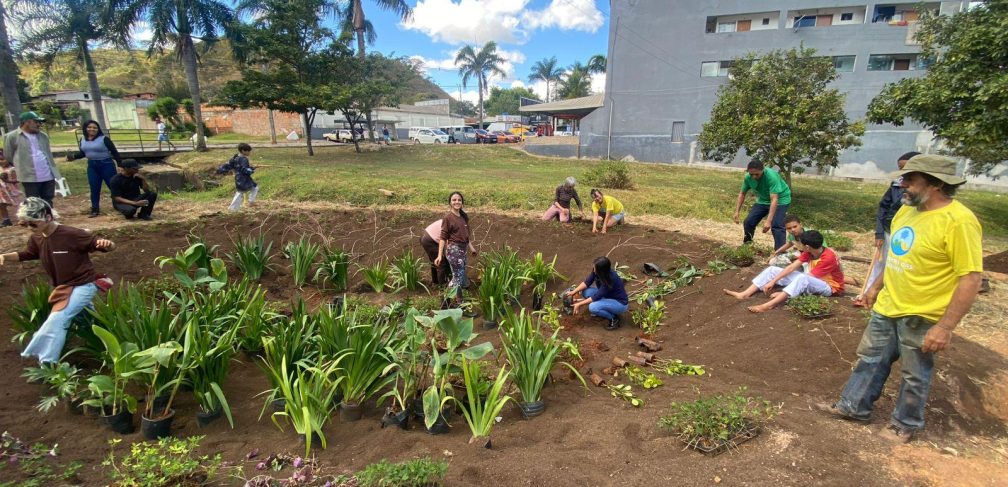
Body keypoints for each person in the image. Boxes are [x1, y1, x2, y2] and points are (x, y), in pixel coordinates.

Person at [814, 155, 983, 443]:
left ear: (936, 184)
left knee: (914, 373)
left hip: (923, 313)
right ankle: (854, 407)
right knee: (870, 358)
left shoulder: (959, 221)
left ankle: (905, 424)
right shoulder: (907, 211)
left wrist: (945, 326)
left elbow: (971, 278)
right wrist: (873, 287)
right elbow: (895, 257)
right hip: (889, 305)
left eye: (910, 180)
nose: (901, 184)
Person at [0, 198, 115, 364]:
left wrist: (108, 244)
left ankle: (48, 362)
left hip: (83, 285)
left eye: (33, 224)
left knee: (58, 318)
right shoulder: (37, 238)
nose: (29, 229)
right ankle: (110, 343)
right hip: (63, 287)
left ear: (48, 217)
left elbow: (103, 245)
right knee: (88, 320)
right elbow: (29, 254)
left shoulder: (72, 234)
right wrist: (4, 256)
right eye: (25, 225)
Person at [855, 151, 921, 306]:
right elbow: (883, 207)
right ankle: (867, 295)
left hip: (906, 233)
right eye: (900, 170)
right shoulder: (897, 184)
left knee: (898, 266)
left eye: (907, 170)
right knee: (882, 263)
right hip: (888, 230)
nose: (903, 177)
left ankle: (884, 297)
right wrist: (879, 232)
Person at [724, 230, 844, 313]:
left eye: (801, 244)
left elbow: (807, 279)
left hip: (830, 288)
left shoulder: (828, 258)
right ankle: (745, 294)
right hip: (814, 281)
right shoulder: (810, 252)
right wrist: (773, 281)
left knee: (803, 278)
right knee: (773, 270)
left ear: (807, 246)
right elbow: (791, 267)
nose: (799, 246)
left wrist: (783, 293)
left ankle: (768, 306)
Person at [2, 112, 62, 207]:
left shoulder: (43, 136)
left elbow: (47, 153)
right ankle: (35, 220)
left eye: (40, 122)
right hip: (29, 175)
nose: (39, 124)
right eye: (36, 122)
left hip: (47, 173)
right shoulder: (12, 137)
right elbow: (9, 155)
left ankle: (48, 218)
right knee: (33, 200)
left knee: (48, 198)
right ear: (27, 122)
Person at [67, 120, 124, 217]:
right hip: (92, 166)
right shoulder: (83, 140)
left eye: (95, 128)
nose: (92, 129)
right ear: (85, 128)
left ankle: (119, 205)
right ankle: (95, 209)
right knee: (94, 187)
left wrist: (121, 165)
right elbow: (84, 153)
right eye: (89, 127)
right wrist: (73, 157)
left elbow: (114, 152)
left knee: (113, 186)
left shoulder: (104, 139)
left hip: (106, 165)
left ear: (98, 129)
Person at [733, 159, 791, 250]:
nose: (754, 176)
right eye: (751, 174)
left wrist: (768, 221)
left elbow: (774, 199)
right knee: (748, 222)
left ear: (762, 170)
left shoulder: (771, 176)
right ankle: (747, 245)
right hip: (763, 200)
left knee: (776, 225)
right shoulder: (748, 177)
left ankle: (780, 252)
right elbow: (742, 194)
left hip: (781, 200)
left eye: (757, 174)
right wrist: (737, 212)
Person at [434, 192, 478, 307]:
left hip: (462, 250)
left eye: (459, 200)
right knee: (457, 278)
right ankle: (453, 302)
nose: (457, 202)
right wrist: (439, 255)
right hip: (454, 251)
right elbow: (443, 238)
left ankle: (451, 300)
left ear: (462, 202)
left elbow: (466, 236)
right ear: (450, 202)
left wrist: (472, 248)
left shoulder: (463, 217)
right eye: (454, 200)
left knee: (458, 276)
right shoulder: (448, 218)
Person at [564, 256, 629, 330]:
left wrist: (579, 304)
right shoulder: (597, 271)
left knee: (593, 307)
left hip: (619, 304)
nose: (594, 270)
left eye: (595, 268)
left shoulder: (610, 279)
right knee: (586, 291)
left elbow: (596, 297)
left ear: (601, 270)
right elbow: (587, 282)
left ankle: (614, 318)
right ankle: (603, 308)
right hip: (607, 296)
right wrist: (574, 291)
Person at [217, 143, 258, 211]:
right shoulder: (243, 159)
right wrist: (253, 169)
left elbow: (231, 166)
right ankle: (232, 208)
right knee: (240, 192)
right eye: (248, 151)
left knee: (255, 188)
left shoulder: (235, 158)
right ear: (243, 151)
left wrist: (252, 167)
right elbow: (245, 170)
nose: (249, 152)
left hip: (240, 177)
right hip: (242, 178)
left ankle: (251, 202)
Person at [420, 218, 451, 285]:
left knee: (434, 261)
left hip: (426, 236)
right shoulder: (451, 224)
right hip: (430, 240)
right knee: (441, 262)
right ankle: (442, 286)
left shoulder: (448, 219)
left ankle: (435, 281)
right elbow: (447, 241)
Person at [0, 149, 25, 226]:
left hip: (13, 190)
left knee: (19, 205)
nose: (1, 161)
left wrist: (7, 180)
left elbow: (18, 180)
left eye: (3, 159)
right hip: (2, 191)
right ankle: (6, 219)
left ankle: (23, 218)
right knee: (1, 204)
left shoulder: (13, 169)